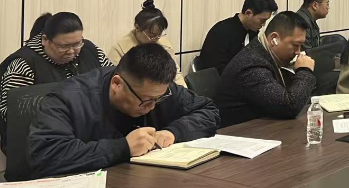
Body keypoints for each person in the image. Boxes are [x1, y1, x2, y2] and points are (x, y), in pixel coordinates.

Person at [27, 44, 220, 180]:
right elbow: (46, 155)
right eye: (145, 100)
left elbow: (208, 111)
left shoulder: (160, 90)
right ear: (117, 84)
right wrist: (122, 147)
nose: (152, 107)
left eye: (158, 99)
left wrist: (173, 132)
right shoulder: (68, 99)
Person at [0, 13, 112, 154]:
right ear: (45, 40)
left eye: (77, 44)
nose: (72, 52)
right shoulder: (24, 64)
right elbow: (11, 114)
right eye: (64, 46)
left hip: (91, 139)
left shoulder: (91, 51)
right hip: (41, 146)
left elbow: (113, 81)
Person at [217, 12, 317, 127]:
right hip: (238, 132)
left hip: (260, 128)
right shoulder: (252, 64)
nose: (298, 52)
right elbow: (289, 107)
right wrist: (305, 70)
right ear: (274, 39)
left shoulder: (262, 53)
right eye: (295, 45)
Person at [108, 0, 186, 87]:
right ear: (137, 28)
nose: (155, 39)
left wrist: (185, 91)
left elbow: (176, 75)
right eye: (151, 35)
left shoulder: (164, 45)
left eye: (159, 34)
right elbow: (114, 83)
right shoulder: (119, 49)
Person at [199, 0, 278, 75]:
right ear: (248, 13)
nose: (263, 24)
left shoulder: (252, 32)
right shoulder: (221, 32)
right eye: (262, 20)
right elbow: (216, 71)